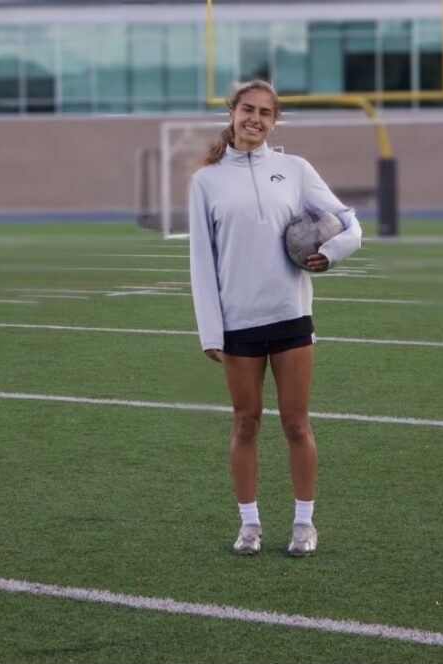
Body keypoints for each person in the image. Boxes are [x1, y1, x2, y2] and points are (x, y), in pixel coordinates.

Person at [188, 80, 362, 556]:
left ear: (274, 121)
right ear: (233, 113)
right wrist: (210, 328)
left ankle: (304, 524)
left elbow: (349, 221)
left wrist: (333, 251)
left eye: (266, 113)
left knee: (296, 425)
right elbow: (201, 261)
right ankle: (249, 525)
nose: (256, 120)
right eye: (248, 110)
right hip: (238, 322)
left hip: (290, 316)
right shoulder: (206, 181)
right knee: (245, 424)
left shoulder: (295, 169)